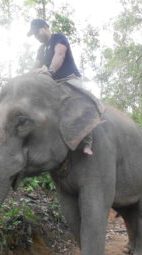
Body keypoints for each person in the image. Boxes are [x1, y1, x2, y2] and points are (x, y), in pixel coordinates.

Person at [27, 19, 93, 155]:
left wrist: (50, 71)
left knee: (79, 103)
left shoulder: (58, 38)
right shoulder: (41, 49)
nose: (36, 36)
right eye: (34, 34)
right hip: (53, 83)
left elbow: (60, 55)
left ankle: (87, 142)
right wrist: (26, 77)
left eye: (37, 32)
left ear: (46, 27)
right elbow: (35, 65)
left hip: (70, 79)